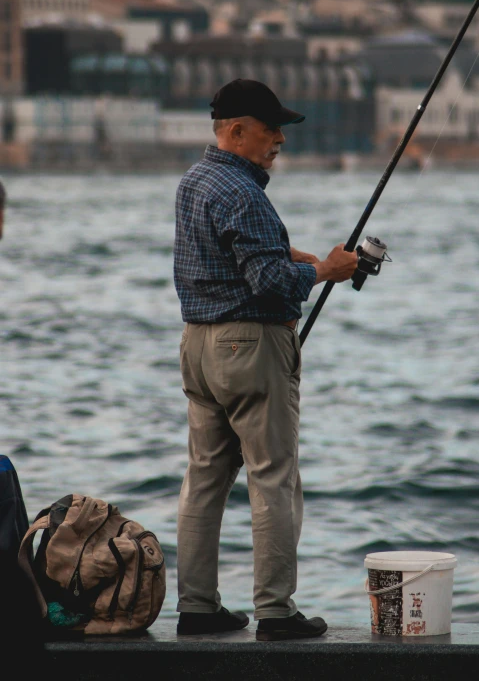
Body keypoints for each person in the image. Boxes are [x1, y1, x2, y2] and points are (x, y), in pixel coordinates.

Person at [173, 79, 358, 641]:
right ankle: (276, 613)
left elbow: (223, 256)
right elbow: (271, 282)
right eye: (270, 128)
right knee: (273, 477)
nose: (279, 139)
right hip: (250, 348)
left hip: (198, 347)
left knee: (205, 479)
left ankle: (197, 608)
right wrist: (324, 270)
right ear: (235, 131)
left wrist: (287, 253)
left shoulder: (194, 181)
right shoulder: (244, 193)